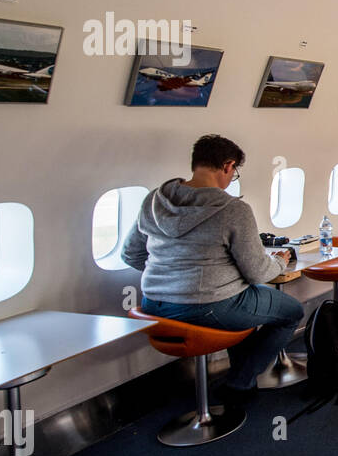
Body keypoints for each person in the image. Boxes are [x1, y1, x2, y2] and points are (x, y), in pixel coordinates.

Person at [121, 134, 302, 402]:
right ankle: (240, 382)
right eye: (234, 173)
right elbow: (256, 272)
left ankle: (240, 376)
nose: (232, 179)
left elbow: (131, 254)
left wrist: (172, 276)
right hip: (208, 307)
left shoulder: (153, 201)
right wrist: (280, 261)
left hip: (152, 305)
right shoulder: (233, 210)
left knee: (251, 303)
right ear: (228, 166)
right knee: (291, 311)